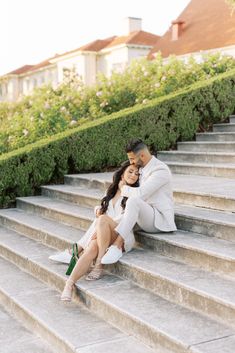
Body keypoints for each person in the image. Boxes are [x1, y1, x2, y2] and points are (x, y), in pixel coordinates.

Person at [60, 160, 139, 301]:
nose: (134, 175)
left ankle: (97, 262)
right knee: (91, 248)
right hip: (105, 234)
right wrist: (97, 211)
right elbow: (101, 208)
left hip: (121, 236)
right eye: (130, 172)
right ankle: (69, 284)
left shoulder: (135, 194)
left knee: (102, 220)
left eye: (137, 174)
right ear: (122, 174)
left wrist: (103, 222)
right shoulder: (111, 191)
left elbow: (126, 219)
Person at [101, 138, 177, 265]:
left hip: (158, 219)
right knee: (102, 219)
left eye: (132, 159)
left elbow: (141, 194)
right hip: (141, 214)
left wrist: (123, 188)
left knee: (134, 201)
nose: (131, 162)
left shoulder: (160, 170)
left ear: (142, 155)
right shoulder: (141, 169)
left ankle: (117, 245)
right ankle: (78, 248)